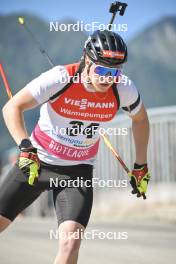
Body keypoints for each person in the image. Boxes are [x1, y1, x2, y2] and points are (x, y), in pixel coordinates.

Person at [0, 29, 150, 264]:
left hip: (76, 171)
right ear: (86, 61)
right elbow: (11, 108)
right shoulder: (60, 78)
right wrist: (25, 147)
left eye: (114, 71)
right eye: (101, 70)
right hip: (35, 163)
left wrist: (141, 165)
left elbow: (140, 119)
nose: (107, 78)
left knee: (71, 243)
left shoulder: (123, 88)